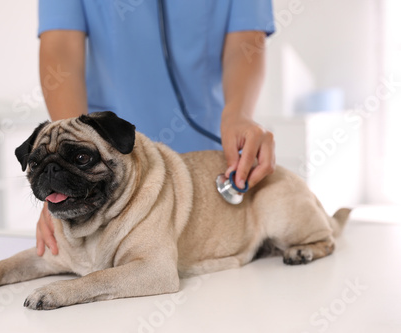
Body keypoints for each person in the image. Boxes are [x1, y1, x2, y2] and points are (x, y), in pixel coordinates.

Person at [35, 0, 276, 256]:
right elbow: (60, 46)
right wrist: (70, 165)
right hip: (109, 172)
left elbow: (247, 41)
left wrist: (238, 114)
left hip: (206, 163)